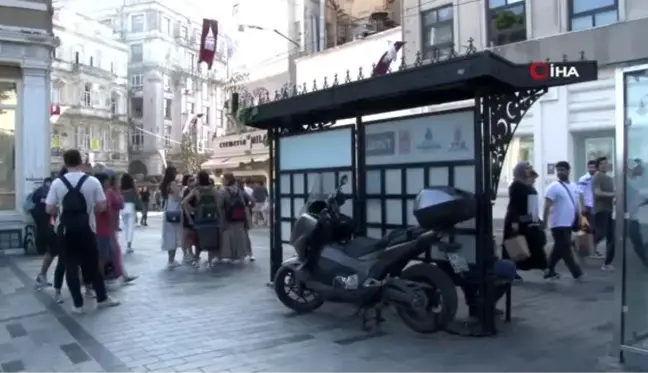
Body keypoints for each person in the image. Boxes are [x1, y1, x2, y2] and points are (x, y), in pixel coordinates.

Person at [45, 149, 119, 313]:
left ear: (65, 162)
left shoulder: (58, 183)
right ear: (80, 162)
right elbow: (101, 205)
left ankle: (77, 305)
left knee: (70, 266)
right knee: (92, 265)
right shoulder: (92, 181)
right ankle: (101, 298)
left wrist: (62, 209)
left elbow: (49, 208)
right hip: (87, 228)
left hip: (65, 231)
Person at [502, 161, 547, 278]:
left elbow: (533, 205)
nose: (529, 170)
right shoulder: (516, 186)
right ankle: (510, 271)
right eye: (527, 168)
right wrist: (514, 222)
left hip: (529, 221)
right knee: (514, 246)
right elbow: (514, 206)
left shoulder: (528, 186)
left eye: (530, 168)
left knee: (536, 245)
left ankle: (546, 270)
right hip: (517, 221)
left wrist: (538, 219)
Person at [542, 161, 583, 280]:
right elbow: (547, 205)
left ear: (568, 171)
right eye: (558, 170)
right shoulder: (553, 187)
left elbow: (577, 204)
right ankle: (577, 273)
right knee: (565, 249)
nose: (560, 172)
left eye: (563, 170)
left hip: (569, 223)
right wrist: (544, 222)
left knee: (559, 248)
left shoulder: (574, 186)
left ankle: (549, 270)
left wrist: (580, 218)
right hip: (558, 223)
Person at [183, 171, 220, 267]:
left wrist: (193, 210)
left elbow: (184, 202)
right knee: (212, 237)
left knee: (199, 238)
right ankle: (210, 260)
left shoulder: (196, 190)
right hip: (212, 216)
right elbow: (218, 204)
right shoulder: (213, 190)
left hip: (200, 217)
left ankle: (196, 259)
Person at [218, 173, 252, 262]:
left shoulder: (223, 191)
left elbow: (219, 205)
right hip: (239, 216)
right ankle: (240, 254)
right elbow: (244, 203)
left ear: (227, 180)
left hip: (227, 217)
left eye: (223, 179)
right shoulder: (238, 190)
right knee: (239, 235)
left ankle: (230, 254)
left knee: (229, 236)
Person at [591, 156, 616, 270]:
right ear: (598, 166)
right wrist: (614, 194)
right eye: (602, 164)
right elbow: (597, 193)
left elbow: (612, 193)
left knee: (612, 237)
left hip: (610, 210)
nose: (604, 165)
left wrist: (615, 198)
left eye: (606, 163)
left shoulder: (609, 178)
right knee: (601, 234)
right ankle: (584, 244)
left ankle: (607, 263)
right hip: (600, 210)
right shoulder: (597, 177)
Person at [160, 166, 183, 268]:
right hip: (174, 209)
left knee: (169, 234)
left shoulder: (164, 185)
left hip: (168, 209)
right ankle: (171, 260)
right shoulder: (173, 184)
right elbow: (177, 197)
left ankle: (170, 259)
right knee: (174, 234)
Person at [578, 160, 598, 257]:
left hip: (596, 206)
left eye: (593, 167)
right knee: (586, 229)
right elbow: (580, 193)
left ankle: (593, 249)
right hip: (587, 206)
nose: (592, 169)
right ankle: (585, 249)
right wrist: (583, 206)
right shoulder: (584, 179)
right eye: (590, 167)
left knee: (595, 229)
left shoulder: (598, 178)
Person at [120, 173, 141, 253]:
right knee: (130, 227)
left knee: (125, 226)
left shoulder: (121, 188)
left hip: (122, 207)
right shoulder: (132, 189)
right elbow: (138, 195)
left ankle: (126, 242)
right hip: (131, 206)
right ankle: (129, 245)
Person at [180, 174, 197, 264]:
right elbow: (183, 204)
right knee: (185, 234)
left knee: (192, 234)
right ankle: (185, 254)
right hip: (186, 215)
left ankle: (191, 252)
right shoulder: (185, 190)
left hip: (194, 215)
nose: (192, 182)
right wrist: (190, 214)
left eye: (193, 180)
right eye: (190, 180)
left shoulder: (195, 190)